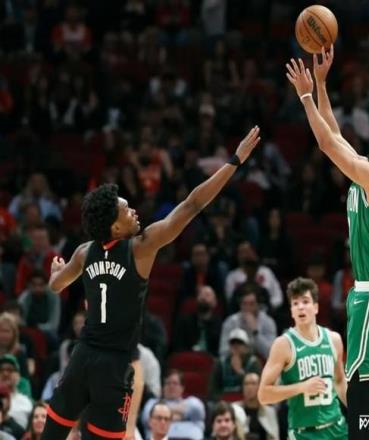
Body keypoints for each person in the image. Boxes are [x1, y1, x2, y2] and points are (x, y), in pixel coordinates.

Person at [40, 126, 261, 440]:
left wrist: (55, 273)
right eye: (125, 210)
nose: (133, 211)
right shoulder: (140, 248)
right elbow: (192, 205)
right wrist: (234, 162)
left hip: (82, 357)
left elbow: (55, 286)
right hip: (115, 365)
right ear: (115, 228)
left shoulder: (83, 252)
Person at [286, 46, 369, 439]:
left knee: (357, 381)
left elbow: (327, 145)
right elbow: (336, 135)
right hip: (367, 291)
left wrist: (305, 96)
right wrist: (322, 85)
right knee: (355, 378)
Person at [258, 277, 348, 439]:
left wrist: (358, 409)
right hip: (304, 433)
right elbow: (264, 395)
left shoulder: (334, 339)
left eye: (305, 302)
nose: (300, 307)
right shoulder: (283, 344)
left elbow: (340, 381)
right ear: (291, 311)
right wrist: (301, 387)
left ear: (316, 307)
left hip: (337, 429)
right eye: (295, 303)